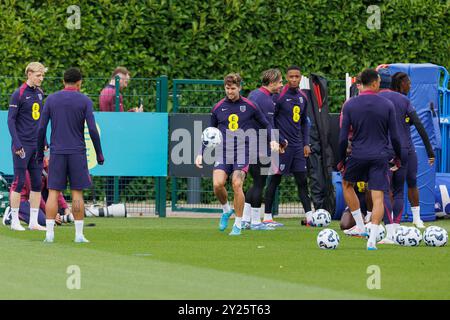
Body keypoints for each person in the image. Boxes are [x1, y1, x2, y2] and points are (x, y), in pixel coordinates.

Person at [195, 73, 280, 236]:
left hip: (243, 152)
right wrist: (201, 153)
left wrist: (273, 140)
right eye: (227, 88)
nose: (230, 92)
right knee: (217, 184)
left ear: (239, 88)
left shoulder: (250, 106)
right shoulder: (217, 107)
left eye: (233, 88)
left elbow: (266, 124)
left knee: (236, 184)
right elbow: (209, 133)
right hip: (223, 151)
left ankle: (238, 224)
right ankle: (226, 210)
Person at [338, 68, 404, 250]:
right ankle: (372, 239)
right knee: (378, 197)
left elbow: (343, 137)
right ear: (375, 83)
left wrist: (340, 159)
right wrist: (398, 158)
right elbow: (396, 137)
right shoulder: (387, 104)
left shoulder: (350, 105)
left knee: (346, 185)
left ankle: (360, 225)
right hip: (380, 156)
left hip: (358, 154)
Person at [37, 67, 104, 243]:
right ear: (79, 82)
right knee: (77, 193)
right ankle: (79, 235)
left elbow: (41, 128)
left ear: (63, 81)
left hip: (57, 152)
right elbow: (92, 130)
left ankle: (49, 235)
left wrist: (39, 151)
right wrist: (99, 153)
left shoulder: (51, 99)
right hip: (77, 153)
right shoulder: (85, 101)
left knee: (53, 192)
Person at [384, 71, 435, 232]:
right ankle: (406, 220)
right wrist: (430, 151)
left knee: (390, 187)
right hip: (404, 149)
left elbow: (412, 122)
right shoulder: (404, 100)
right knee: (408, 183)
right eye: (409, 83)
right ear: (401, 84)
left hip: (388, 149)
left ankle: (407, 219)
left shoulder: (383, 99)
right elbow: (419, 125)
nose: (411, 85)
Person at [263, 66, 313, 226]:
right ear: (286, 77)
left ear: (300, 78)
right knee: (274, 180)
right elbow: (271, 120)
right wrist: (278, 139)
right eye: (290, 76)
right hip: (282, 147)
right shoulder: (279, 96)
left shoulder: (303, 97)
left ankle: (310, 217)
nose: (293, 79)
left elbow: (305, 122)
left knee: (302, 181)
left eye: (296, 77)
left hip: (298, 147)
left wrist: (306, 143)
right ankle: (267, 216)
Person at [242, 68, 285, 230]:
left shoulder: (254, 94)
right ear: (272, 82)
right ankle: (255, 222)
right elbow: (268, 126)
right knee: (259, 183)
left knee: (254, 183)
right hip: (260, 145)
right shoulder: (266, 100)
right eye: (280, 82)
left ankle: (246, 219)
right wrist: (281, 141)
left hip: (250, 143)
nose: (282, 85)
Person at [7, 62, 47, 231]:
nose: (41, 78)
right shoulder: (19, 94)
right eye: (38, 75)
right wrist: (17, 143)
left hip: (36, 146)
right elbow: (11, 120)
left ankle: (33, 222)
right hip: (22, 145)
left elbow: (41, 121)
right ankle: (14, 220)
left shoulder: (39, 93)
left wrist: (44, 141)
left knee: (37, 183)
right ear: (29, 74)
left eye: (43, 75)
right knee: (19, 181)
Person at [99, 67, 142, 206]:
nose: (126, 84)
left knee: (111, 172)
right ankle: (111, 199)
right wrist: (135, 114)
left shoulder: (104, 91)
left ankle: (110, 201)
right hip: (117, 138)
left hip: (108, 137)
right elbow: (121, 119)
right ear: (120, 78)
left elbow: (115, 115)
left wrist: (130, 111)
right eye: (126, 81)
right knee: (134, 167)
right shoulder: (115, 94)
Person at [2, 155, 74, 227]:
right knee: (43, 221)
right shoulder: (29, 168)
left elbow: (54, 190)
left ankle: (59, 217)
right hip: (23, 199)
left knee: (55, 212)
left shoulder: (49, 168)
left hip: (36, 197)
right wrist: (49, 213)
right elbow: (35, 194)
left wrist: (65, 208)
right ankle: (13, 212)